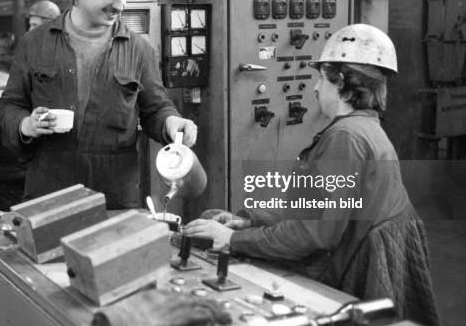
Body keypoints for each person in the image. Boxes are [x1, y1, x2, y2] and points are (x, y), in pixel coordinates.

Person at [184, 24, 440, 325]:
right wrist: (250, 222)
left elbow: (313, 236)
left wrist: (231, 240)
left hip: (358, 266)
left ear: (341, 81)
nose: (316, 88)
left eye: (322, 78)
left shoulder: (346, 138)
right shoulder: (365, 127)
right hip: (361, 251)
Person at [0, 0, 197, 208]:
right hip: (50, 187)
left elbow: (156, 109)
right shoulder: (35, 43)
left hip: (112, 194)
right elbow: (10, 104)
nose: (119, 5)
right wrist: (25, 125)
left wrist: (171, 123)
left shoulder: (139, 50)